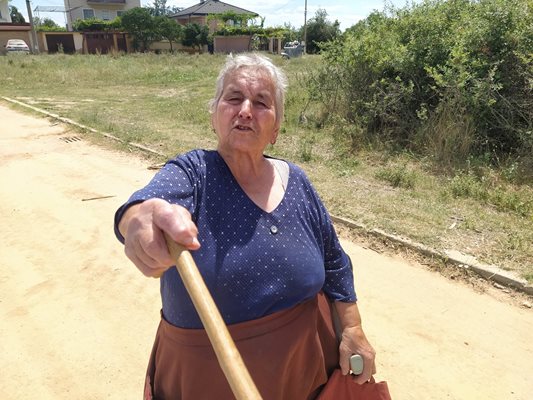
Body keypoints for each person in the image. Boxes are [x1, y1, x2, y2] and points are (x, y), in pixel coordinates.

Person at [114, 53, 376, 399]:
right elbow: (145, 206)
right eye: (234, 98)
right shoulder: (194, 173)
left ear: (276, 129)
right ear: (214, 115)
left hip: (305, 373)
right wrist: (137, 222)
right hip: (206, 380)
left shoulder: (297, 182)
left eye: (261, 103)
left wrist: (353, 328)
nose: (245, 110)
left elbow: (334, 261)